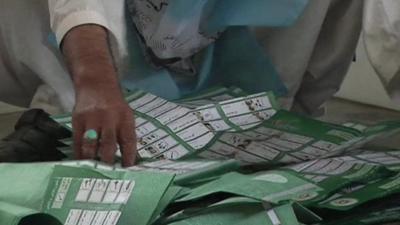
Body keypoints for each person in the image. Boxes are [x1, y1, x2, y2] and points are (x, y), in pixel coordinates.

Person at [0, 0, 363, 166]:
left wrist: (303, 120)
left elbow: (330, 44)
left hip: (240, 85)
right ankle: (60, 123)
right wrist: (94, 81)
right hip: (101, 52)